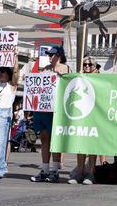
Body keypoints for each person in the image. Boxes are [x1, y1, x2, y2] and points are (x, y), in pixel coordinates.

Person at [30, 46, 71, 183]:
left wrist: (58, 75)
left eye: (52, 54)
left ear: (58, 55)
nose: (50, 56)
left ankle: (55, 170)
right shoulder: (45, 68)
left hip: (57, 109)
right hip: (44, 109)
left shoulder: (65, 68)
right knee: (44, 138)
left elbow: (70, 83)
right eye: (49, 54)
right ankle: (45, 169)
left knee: (55, 139)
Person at [69, 56, 99, 186]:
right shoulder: (79, 78)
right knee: (80, 144)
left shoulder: (100, 79)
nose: (87, 66)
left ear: (95, 67)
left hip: (95, 116)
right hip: (82, 114)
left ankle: (91, 173)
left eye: (90, 64)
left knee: (92, 146)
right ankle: (80, 171)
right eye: (84, 64)